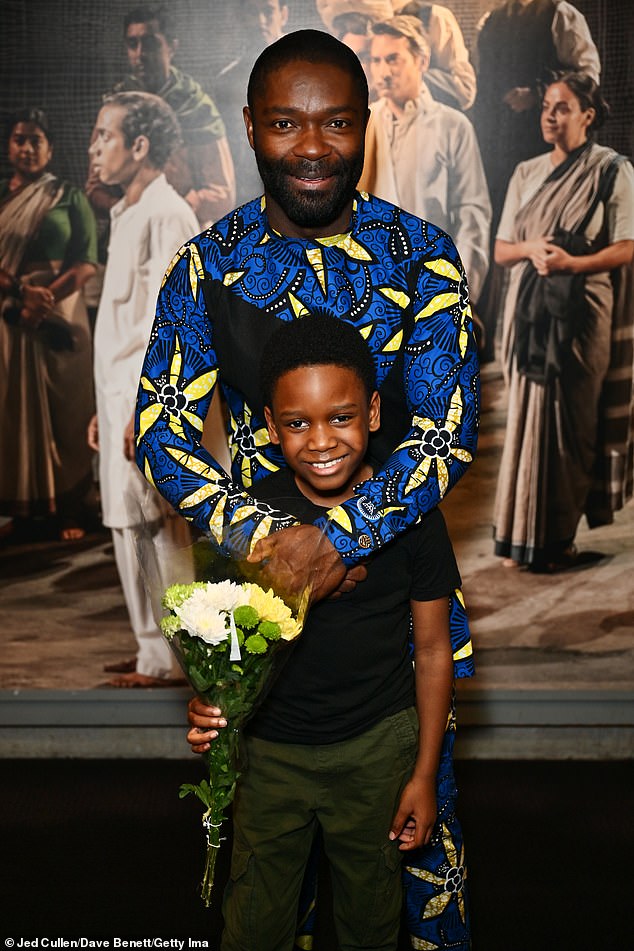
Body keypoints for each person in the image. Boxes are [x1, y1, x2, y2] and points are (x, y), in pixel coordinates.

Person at [134, 28, 480, 625]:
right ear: (249, 127)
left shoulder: (423, 256)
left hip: (402, 590)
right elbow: (161, 434)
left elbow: (446, 432)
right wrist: (267, 547)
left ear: (365, 125)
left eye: (338, 123)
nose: (313, 147)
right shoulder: (206, 266)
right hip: (259, 594)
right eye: (286, 123)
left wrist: (334, 541)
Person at [187, 313, 471, 951]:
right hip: (271, 759)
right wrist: (211, 702)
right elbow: (225, 644)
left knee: (370, 921)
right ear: (269, 425)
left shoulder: (413, 518)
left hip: (376, 754)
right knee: (255, 921)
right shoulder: (253, 519)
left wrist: (424, 774)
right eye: (297, 423)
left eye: (340, 417)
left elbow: (432, 650)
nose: (321, 441)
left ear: (373, 412)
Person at [492, 72, 634, 573]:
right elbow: (502, 250)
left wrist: (572, 264)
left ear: (588, 117)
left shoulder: (611, 171)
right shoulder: (526, 172)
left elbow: (627, 245)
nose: (549, 116)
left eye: (562, 108)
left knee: (572, 424)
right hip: (528, 311)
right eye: (546, 107)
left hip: (582, 311)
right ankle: (517, 538)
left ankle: (559, 539)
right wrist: (534, 250)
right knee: (526, 424)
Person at [87, 91, 199, 686]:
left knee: (158, 525)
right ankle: (148, 648)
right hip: (117, 401)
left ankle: (175, 661)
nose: (94, 148)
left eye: (105, 135)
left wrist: (150, 405)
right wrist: (104, 408)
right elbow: (120, 327)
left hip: (148, 401)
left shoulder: (167, 213)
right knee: (127, 523)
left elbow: (174, 321)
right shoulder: (127, 211)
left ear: (140, 145)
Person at [470, 0, 601, 357]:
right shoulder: (492, 20)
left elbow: (588, 77)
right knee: (502, 231)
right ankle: (497, 339)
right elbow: (481, 83)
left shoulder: (559, 14)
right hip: (499, 146)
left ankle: (544, 334)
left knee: (541, 231)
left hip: (543, 144)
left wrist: (540, 93)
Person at [0, 108, 97, 542]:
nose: (27, 147)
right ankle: (26, 508)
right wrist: (22, 293)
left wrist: (45, 297)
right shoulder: (3, 199)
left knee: (67, 409)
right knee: (15, 411)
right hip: (11, 318)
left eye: (36, 140)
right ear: (9, 146)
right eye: (20, 139)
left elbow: (87, 262)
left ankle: (71, 506)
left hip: (62, 314)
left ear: (50, 148)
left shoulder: (68, 196)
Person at [359, 15, 491, 305]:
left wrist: (460, 291)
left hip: (434, 285)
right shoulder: (362, 126)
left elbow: (472, 213)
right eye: (376, 60)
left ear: (422, 61)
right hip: (374, 287)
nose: (382, 72)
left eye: (393, 59)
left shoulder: (452, 126)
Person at [86, 4, 235, 230]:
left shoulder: (196, 108)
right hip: (127, 226)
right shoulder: (115, 107)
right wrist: (126, 210)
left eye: (150, 43)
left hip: (184, 229)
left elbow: (222, 193)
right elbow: (95, 187)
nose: (140, 54)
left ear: (171, 48)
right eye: (132, 44)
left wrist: (174, 211)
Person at [210, 0, 289, 206]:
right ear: (240, 18)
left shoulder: (309, 69)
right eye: (251, 13)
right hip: (246, 191)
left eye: (267, 11)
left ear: (284, 15)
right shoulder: (225, 81)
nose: (260, 21)